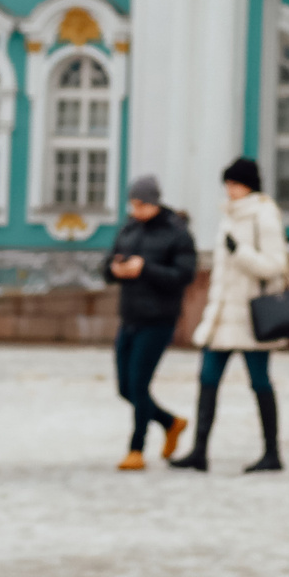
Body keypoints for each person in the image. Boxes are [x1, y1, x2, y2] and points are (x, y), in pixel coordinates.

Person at [169, 159, 289, 475]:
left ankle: (272, 453)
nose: (229, 190)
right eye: (227, 184)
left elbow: (275, 265)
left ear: (248, 184)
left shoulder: (263, 214)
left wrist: (241, 252)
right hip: (224, 315)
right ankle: (199, 451)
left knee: (260, 382)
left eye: (234, 183)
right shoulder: (229, 215)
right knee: (207, 378)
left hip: (252, 317)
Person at [106, 175, 197, 471]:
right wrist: (115, 269)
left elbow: (183, 275)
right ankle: (170, 423)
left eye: (141, 205)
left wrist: (145, 268)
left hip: (159, 319)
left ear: (154, 202)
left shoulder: (176, 232)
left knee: (139, 385)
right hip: (130, 316)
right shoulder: (129, 228)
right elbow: (107, 264)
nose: (136, 210)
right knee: (125, 388)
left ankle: (136, 449)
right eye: (133, 204)